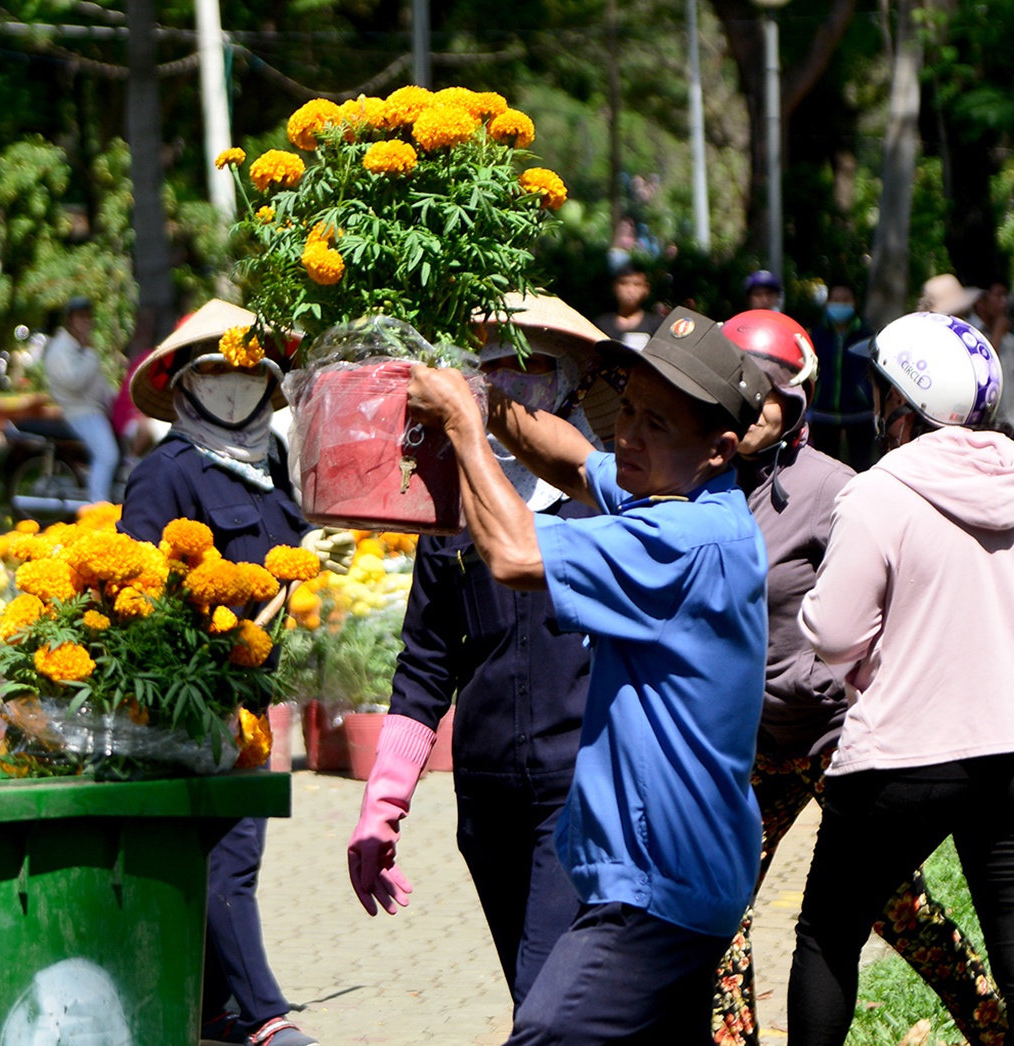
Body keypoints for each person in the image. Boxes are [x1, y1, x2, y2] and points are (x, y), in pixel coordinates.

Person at [407, 307, 772, 1044]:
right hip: (679, 872)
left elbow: (511, 554)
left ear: (720, 448)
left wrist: (461, 424)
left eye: (657, 425)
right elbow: (573, 460)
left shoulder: (683, 538)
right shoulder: (680, 494)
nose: (629, 435)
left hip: (657, 886)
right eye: (629, 410)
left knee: (547, 1030)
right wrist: (486, 395)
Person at [788, 311, 1014, 1046]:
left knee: (829, 935)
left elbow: (832, 636)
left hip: (902, 759)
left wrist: (866, 660)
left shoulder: (879, 491)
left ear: (900, 403)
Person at [711, 311, 1005, 1046]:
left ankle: (996, 1026)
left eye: (761, 393)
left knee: (896, 913)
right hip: (755, 745)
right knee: (721, 911)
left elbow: (888, 604)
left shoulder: (835, 490)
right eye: (731, 392)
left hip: (843, 743)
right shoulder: (702, 486)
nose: (743, 408)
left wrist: (832, 681)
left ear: (796, 403)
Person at [347, 295, 605, 1011]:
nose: (506, 387)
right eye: (490, 369)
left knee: (547, 1002)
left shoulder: (605, 505)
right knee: (536, 1002)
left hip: (578, 792)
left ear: (569, 381)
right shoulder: (450, 509)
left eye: (529, 369)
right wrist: (383, 803)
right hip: (487, 798)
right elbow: (428, 660)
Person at [121, 299, 347, 1046]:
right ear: (185, 382)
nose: (232, 386)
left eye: (248, 371)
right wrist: (233, 620)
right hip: (195, 695)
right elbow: (137, 602)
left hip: (255, 695)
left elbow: (293, 540)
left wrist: (322, 550)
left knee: (234, 848)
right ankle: (263, 1015)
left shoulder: (273, 463)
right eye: (216, 371)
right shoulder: (164, 474)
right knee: (230, 855)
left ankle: (212, 1007)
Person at [43, 296, 120, 505]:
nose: (85, 322)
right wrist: (91, 355)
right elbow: (74, 381)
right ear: (69, 321)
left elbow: (98, 383)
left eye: (88, 317)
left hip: (95, 410)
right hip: (82, 413)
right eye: (80, 317)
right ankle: (98, 506)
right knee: (107, 455)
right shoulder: (61, 350)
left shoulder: (81, 348)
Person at [806, 282, 875, 472]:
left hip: (860, 414)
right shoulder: (817, 335)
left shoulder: (866, 334)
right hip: (823, 414)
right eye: (836, 300)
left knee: (861, 468)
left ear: (854, 303)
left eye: (845, 300)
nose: (840, 305)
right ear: (828, 302)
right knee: (824, 469)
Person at [969, 277, 1014, 444]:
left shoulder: (1009, 339)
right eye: (998, 296)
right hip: (988, 426)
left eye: (1005, 296)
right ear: (980, 302)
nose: (1004, 302)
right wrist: (997, 333)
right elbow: (981, 371)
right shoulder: (970, 334)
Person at [592, 260, 662, 348]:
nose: (630, 290)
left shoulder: (656, 326)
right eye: (624, 283)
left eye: (637, 284)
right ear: (615, 287)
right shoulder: (601, 325)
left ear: (646, 289)